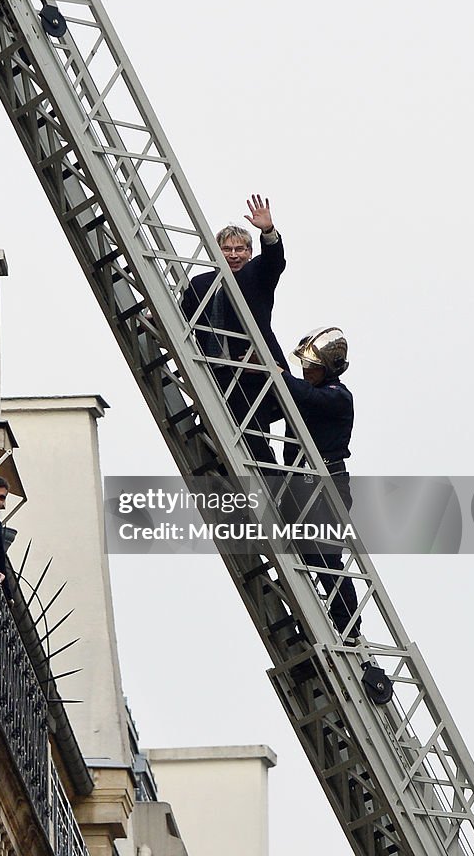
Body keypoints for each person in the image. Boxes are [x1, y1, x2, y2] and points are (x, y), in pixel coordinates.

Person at [180, 195, 287, 464]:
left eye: (240, 249)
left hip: (250, 371)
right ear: (216, 251)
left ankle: (273, 494)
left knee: (255, 443)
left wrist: (268, 231)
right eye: (227, 249)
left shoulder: (256, 275)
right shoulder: (200, 284)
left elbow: (274, 261)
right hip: (213, 374)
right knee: (212, 444)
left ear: (250, 253)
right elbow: (183, 317)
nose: (234, 255)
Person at [280, 327, 360, 640]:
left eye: (312, 366)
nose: (305, 370)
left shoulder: (338, 397)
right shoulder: (307, 395)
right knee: (300, 556)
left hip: (329, 485)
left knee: (325, 557)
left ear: (328, 369)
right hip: (300, 483)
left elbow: (305, 395)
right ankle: (311, 624)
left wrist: (279, 374)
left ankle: (349, 629)